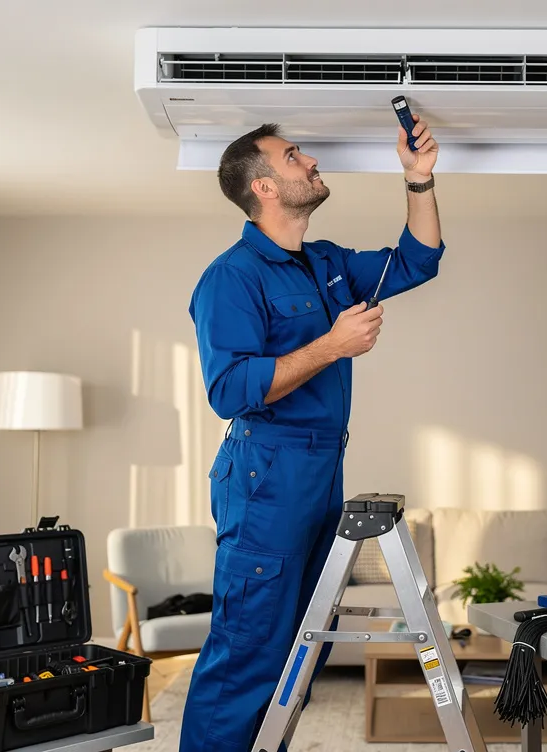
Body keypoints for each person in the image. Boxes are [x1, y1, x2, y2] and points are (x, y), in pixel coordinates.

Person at [179, 114, 444, 752]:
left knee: (302, 653)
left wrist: (418, 180)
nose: (309, 161)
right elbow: (230, 391)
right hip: (266, 474)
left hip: (322, 471)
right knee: (248, 652)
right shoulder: (232, 277)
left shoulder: (324, 263)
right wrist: (331, 345)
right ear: (264, 187)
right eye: (293, 155)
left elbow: (419, 260)